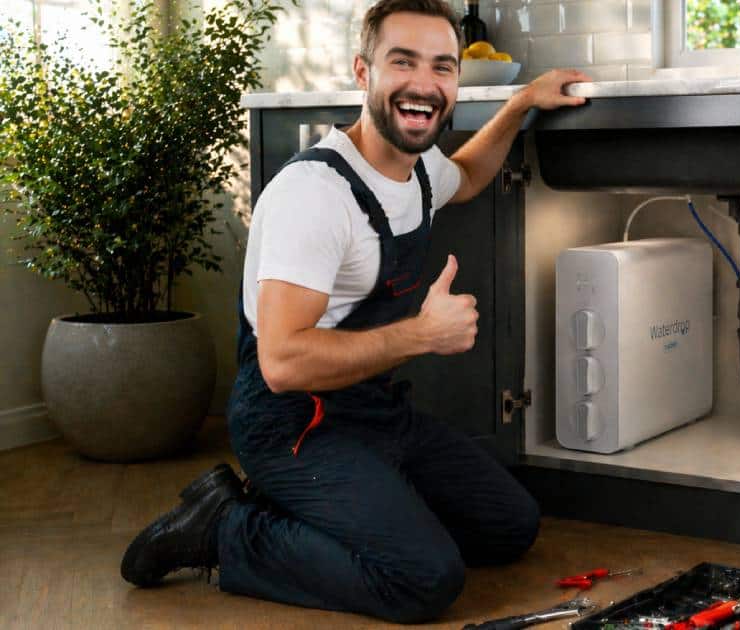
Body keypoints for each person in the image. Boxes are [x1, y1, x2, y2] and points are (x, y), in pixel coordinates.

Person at [119, 0, 590, 622]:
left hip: (373, 410)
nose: (424, 84)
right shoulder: (315, 194)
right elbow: (283, 363)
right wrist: (421, 334)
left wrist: (521, 102)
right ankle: (225, 528)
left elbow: (468, 173)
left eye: (442, 67)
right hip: (291, 424)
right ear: (363, 72)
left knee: (510, 525)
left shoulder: (420, 171)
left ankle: (350, 509)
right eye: (403, 62)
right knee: (424, 580)